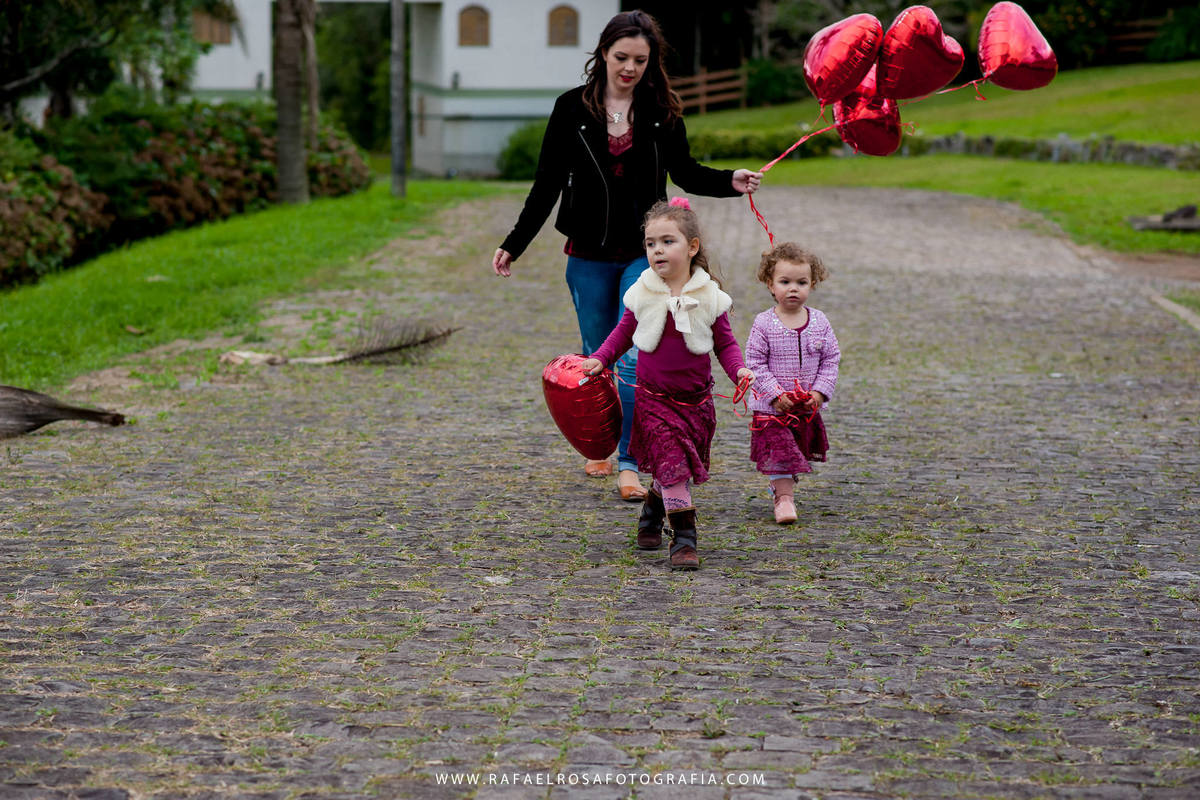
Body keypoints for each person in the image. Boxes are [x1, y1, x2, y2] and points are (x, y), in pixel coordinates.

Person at [492, 9, 762, 501]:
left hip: (646, 253)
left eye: (640, 59)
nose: (630, 68)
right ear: (603, 53)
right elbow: (546, 183)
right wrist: (515, 242)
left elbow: (685, 171)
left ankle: (630, 462)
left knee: (637, 357)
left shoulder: (662, 109)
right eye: (622, 57)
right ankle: (602, 439)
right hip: (587, 254)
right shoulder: (571, 108)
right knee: (600, 356)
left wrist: (730, 181)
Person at [580, 199, 753, 570]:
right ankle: (685, 539)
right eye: (650, 243)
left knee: (672, 468)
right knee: (672, 465)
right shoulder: (642, 292)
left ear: (691, 247)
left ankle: (651, 513)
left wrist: (739, 371)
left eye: (667, 241)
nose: (657, 250)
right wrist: (601, 358)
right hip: (653, 400)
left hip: (695, 403)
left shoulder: (710, 296)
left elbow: (725, 343)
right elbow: (622, 333)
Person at [744, 242, 841, 524]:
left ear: (813, 283)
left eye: (802, 282)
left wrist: (820, 392)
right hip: (772, 409)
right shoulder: (763, 323)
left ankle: (781, 485)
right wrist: (774, 394)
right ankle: (784, 499)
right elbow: (755, 363)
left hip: (804, 407)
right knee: (781, 451)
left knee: (795, 451)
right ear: (770, 284)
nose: (793, 289)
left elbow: (831, 359)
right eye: (785, 282)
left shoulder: (820, 322)